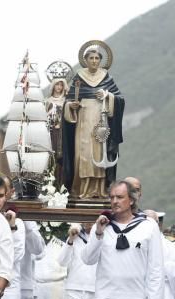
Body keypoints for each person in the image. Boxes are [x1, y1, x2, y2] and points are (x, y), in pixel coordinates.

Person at [62, 43, 125, 199]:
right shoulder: (78, 78)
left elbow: (119, 99)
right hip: (83, 122)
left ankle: (100, 189)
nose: (95, 61)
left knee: (99, 152)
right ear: (86, 60)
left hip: (100, 122)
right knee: (83, 154)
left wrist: (107, 96)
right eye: (91, 58)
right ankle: (81, 189)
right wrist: (71, 105)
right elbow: (68, 100)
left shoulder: (106, 77)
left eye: (97, 58)